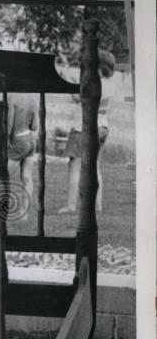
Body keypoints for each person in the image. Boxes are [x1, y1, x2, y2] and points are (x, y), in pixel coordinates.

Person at [58, 47, 116, 215]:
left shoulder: (92, 84)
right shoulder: (111, 86)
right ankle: (98, 206)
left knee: (74, 166)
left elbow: (77, 97)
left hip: (84, 129)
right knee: (95, 166)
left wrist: (66, 78)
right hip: (103, 127)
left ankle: (70, 205)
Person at [6, 93, 39, 214]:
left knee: (4, 177)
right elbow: (34, 126)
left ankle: (1, 208)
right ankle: (24, 212)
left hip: (17, 141)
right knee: (27, 177)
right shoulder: (33, 99)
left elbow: (9, 124)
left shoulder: (12, 97)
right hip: (30, 140)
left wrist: (6, 139)